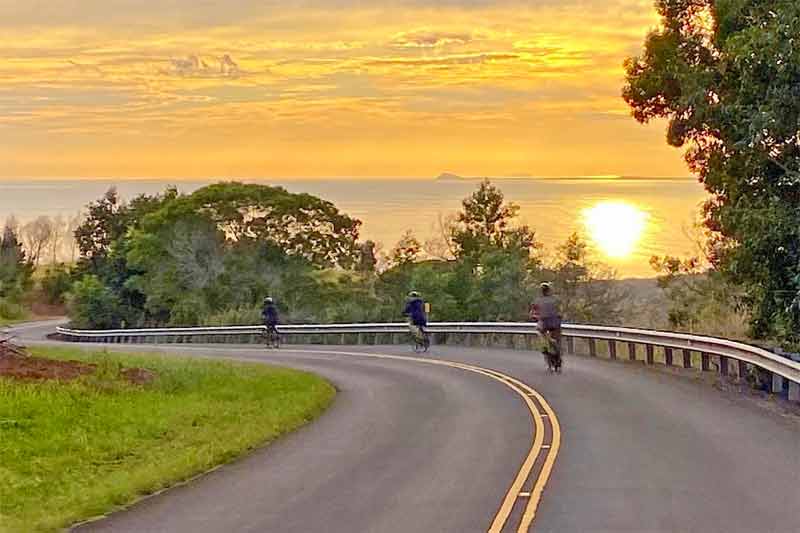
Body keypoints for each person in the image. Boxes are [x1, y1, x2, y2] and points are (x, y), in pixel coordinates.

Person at [531, 283, 562, 370]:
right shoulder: (555, 300)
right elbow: (560, 312)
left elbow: (533, 313)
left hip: (544, 323)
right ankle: (558, 353)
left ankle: (545, 349)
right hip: (554, 323)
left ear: (541, 291)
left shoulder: (537, 301)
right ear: (549, 290)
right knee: (556, 339)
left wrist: (535, 317)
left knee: (541, 336)